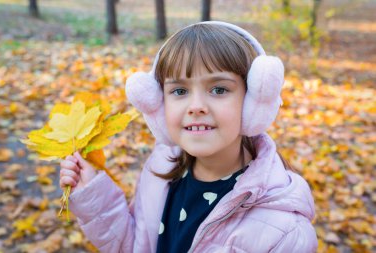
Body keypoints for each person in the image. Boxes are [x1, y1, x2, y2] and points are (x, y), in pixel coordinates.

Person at [59, 21, 317, 253]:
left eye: (218, 89)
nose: (196, 106)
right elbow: (137, 245)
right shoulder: (161, 169)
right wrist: (93, 195)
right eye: (180, 90)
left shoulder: (285, 233)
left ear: (253, 104)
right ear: (159, 106)